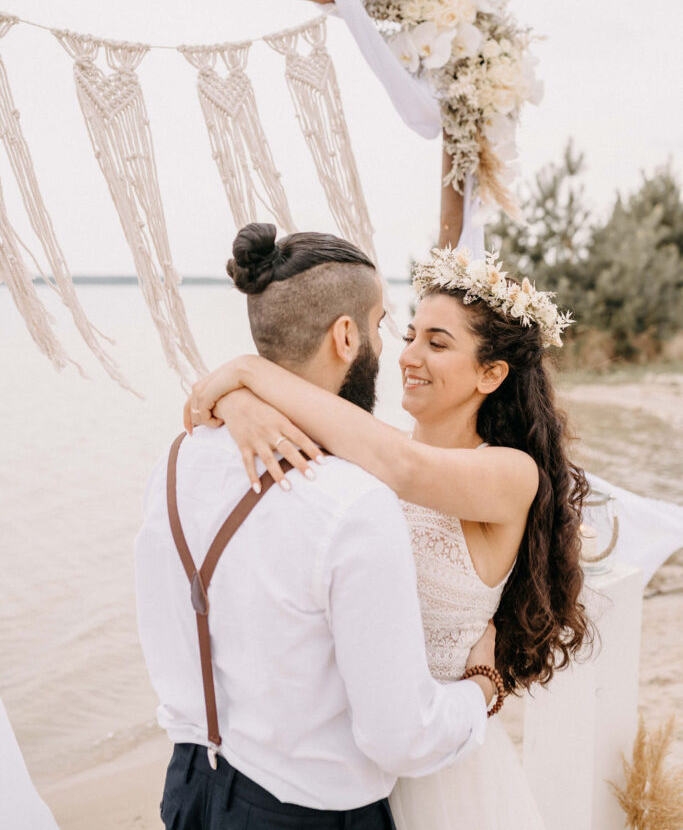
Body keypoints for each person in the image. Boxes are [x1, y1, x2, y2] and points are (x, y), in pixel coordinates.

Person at [186, 230, 592, 830]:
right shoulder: (371, 453)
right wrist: (240, 403)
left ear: (491, 374)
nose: (407, 355)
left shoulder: (510, 474)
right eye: (407, 335)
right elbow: (218, 415)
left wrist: (247, 370)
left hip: (439, 770)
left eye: (437, 342)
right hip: (345, 770)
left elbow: (404, 470)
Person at [136, 224, 500, 830]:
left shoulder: (176, 459)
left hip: (188, 791)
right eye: (384, 326)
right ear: (346, 335)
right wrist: (480, 690)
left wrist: (239, 389)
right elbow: (401, 739)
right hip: (305, 815)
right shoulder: (354, 501)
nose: (391, 351)